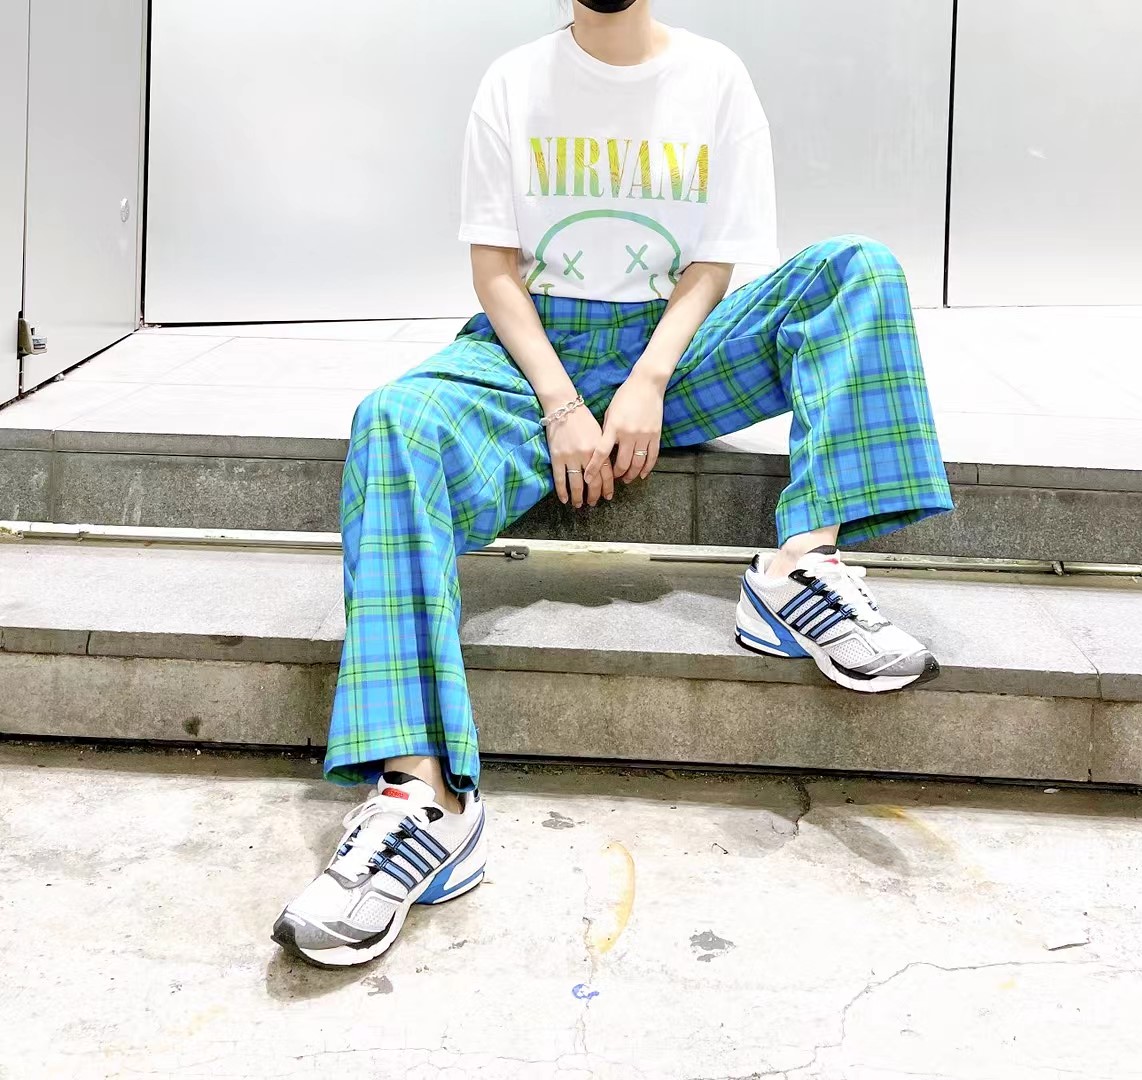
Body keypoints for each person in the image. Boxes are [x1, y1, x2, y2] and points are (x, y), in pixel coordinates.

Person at [273, 0, 953, 968]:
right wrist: (561, 401)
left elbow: (713, 261)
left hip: (675, 344)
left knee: (858, 270)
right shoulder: (514, 81)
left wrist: (649, 380)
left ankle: (799, 567)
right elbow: (495, 271)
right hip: (530, 352)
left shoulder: (714, 78)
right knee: (394, 419)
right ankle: (424, 796)